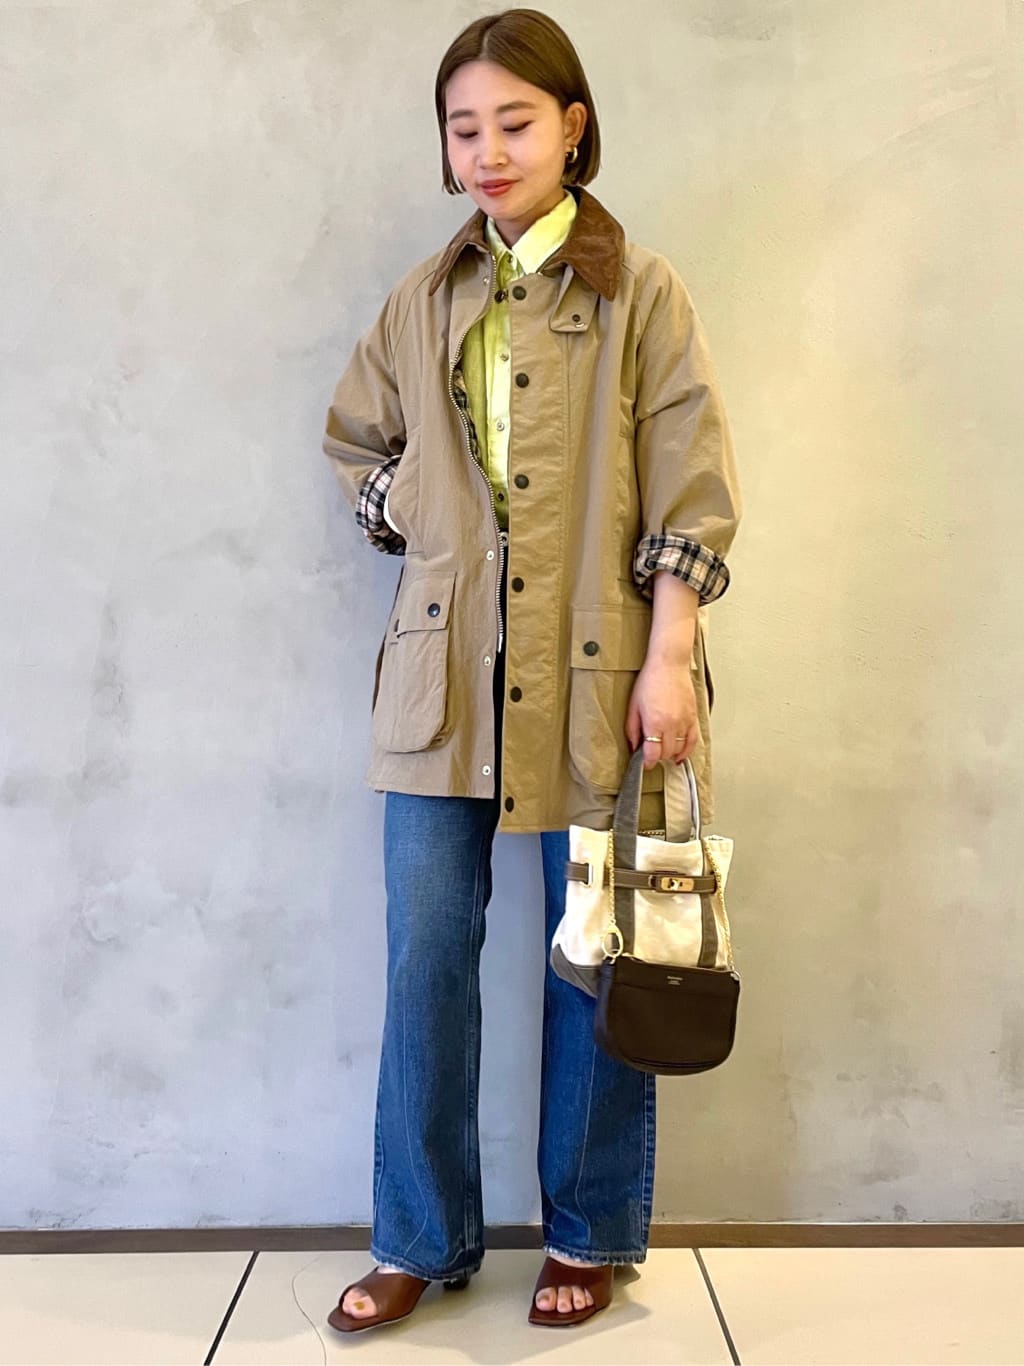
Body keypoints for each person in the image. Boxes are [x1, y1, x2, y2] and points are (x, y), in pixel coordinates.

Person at [320, 6, 741, 1335]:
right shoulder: (424, 297)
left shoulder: (641, 293)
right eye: (465, 129)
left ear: (573, 127)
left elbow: (693, 489)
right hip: (440, 682)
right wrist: (412, 512)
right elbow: (357, 441)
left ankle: (589, 1231)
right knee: (425, 963)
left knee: (594, 957)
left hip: (604, 675)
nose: (488, 151)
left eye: (514, 122)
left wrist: (671, 657)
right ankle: (419, 1234)